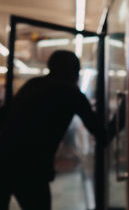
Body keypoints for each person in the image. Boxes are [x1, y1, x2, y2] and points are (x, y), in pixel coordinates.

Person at [0, 50, 104, 210]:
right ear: (73, 70)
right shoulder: (71, 92)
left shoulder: (33, 84)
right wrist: (124, 113)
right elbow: (100, 132)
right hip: (31, 169)